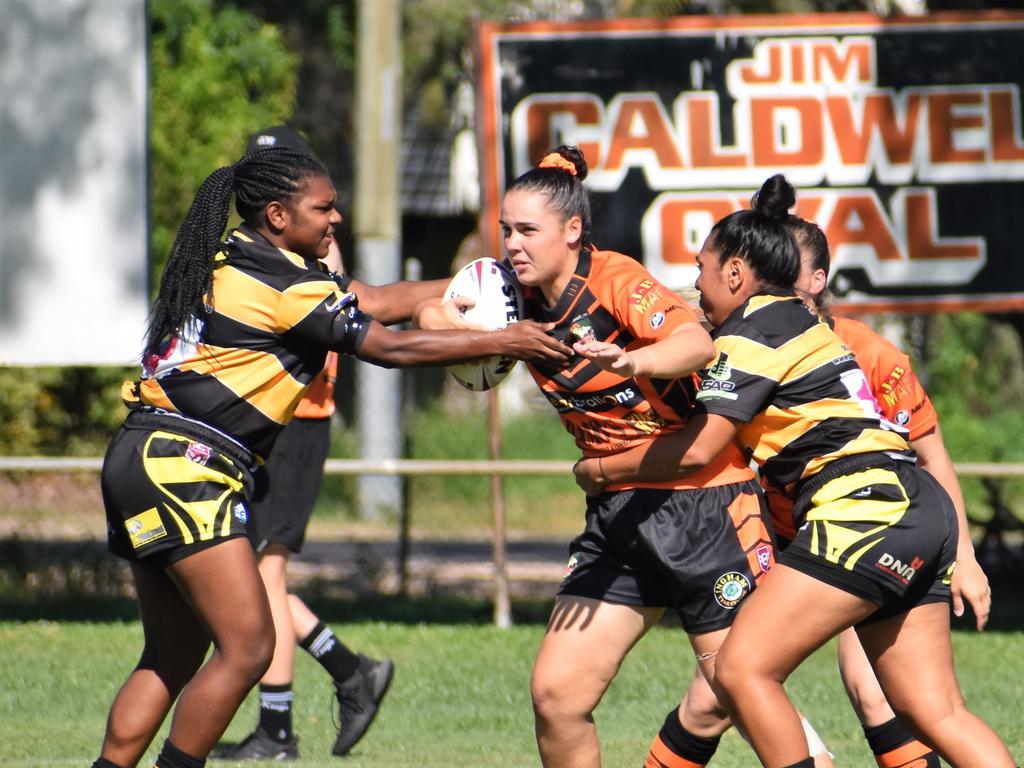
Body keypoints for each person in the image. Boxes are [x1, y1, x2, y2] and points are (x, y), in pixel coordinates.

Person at [92, 146, 573, 768]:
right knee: (249, 648)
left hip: (140, 453)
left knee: (172, 654)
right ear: (277, 214)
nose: (336, 219)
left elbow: (372, 297)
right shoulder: (284, 284)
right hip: (185, 463)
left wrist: (486, 284)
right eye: (323, 208)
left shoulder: (241, 257)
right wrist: (502, 337)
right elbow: (389, 349)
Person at [573, 174, 1015, 768]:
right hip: (915, 505)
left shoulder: (751, 335)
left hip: (862, 513)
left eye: (700, 271)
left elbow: (701, 449)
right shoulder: (799, 323)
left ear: (735, 273)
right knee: (933, 711)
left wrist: (602, 469)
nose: (693, 287)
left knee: (741, 668)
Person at [497, 145, 778, 768]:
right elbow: (434, 302)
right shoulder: (506, 291)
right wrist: (455, 324)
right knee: (556, 694)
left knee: (740, 689)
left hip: (706, 508)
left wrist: (634, 360)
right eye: (506, 230)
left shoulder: (613, 279)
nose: (513, 244)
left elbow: (694, 342)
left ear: (572, 231)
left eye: (527, 231)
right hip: (618, 517)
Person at [212, 126, 393, 762]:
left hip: (296, 422)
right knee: (247, 575)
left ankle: (280, 729)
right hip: (268, 428)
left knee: (263, 574)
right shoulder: (262, 247)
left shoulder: (316, 246)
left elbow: (346, 312)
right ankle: (348, 671)